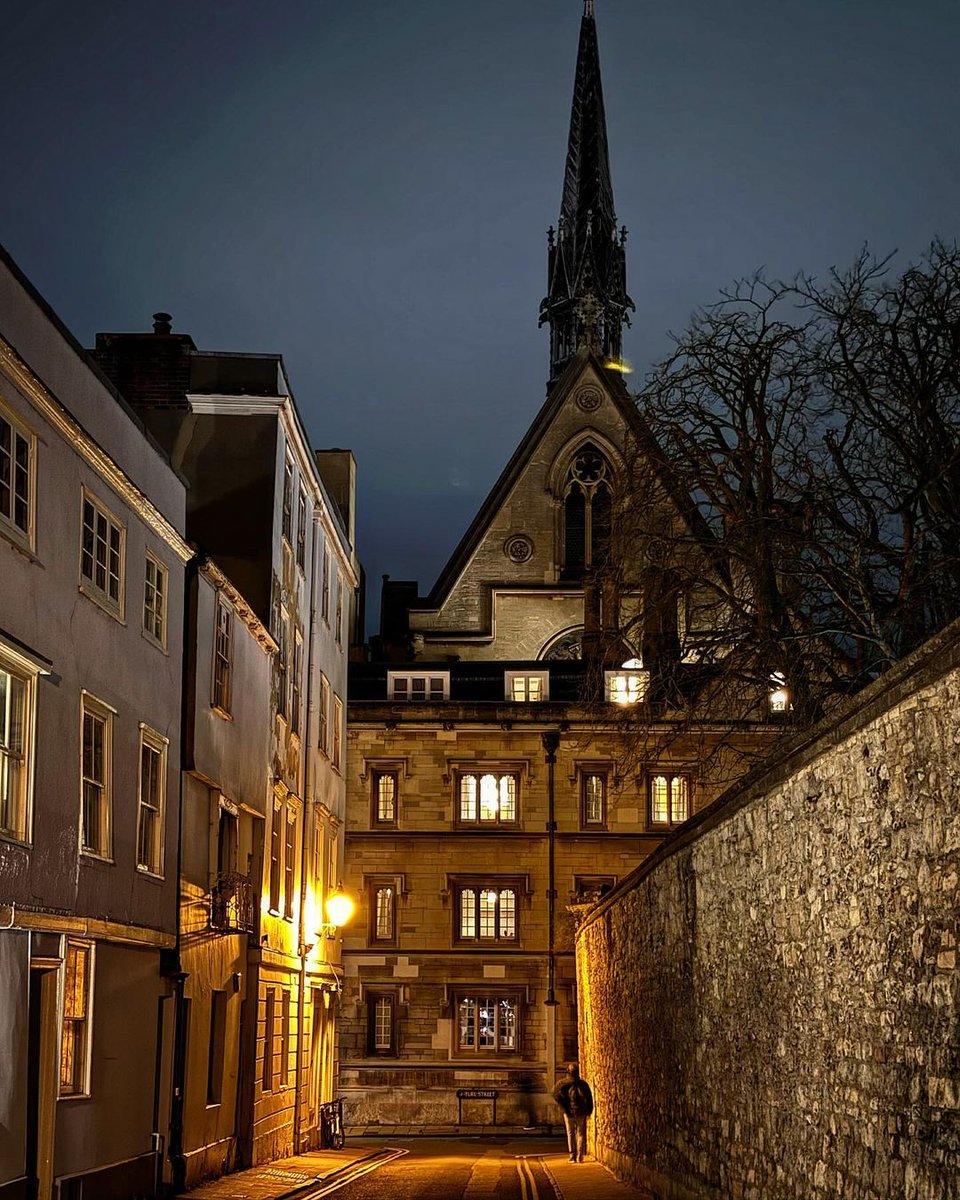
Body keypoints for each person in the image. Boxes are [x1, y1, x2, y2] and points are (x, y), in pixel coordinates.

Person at [553, 1062, 594, 1162]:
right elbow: (589, 1098)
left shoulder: (562, 1084)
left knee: (570, 1133)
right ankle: (580, 1156)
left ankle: (572, 1156)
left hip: (568, 1112)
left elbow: (555, 1094)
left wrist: (563, 1106)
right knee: (580, 1133)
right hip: (581, 1111)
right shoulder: (583, 1084)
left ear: (568, 1072)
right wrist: (589, 1111)